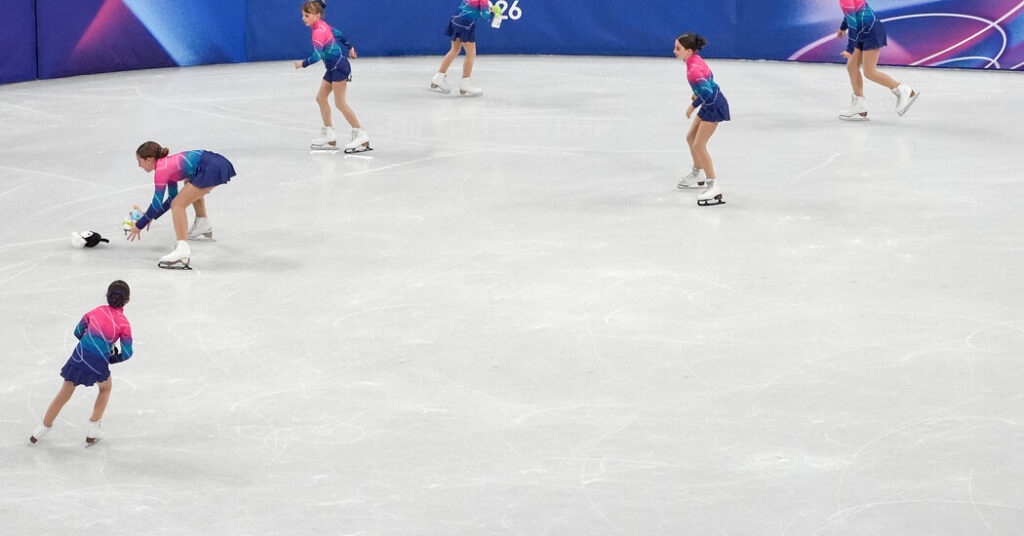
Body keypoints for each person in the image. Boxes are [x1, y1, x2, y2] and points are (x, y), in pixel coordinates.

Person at [30, 281, 133, 445]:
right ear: (127, 301)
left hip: (78, 357)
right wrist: (109, 357)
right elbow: (127, 353)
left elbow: (78, 331)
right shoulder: (124, 324)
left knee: (64, 394)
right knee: (105, 388)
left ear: (107, 296)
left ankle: (40, 430)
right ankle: (93, 430)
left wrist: (89, 342)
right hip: (98, 363)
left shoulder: (94, 312)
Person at [126, 141, 236, 269]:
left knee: (178, 205)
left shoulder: (161, 170)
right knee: (186, 188)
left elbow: (158, 204)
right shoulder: (166, 165)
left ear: (149, 159)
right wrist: (150, 216)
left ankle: (182, 249)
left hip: (212, 166)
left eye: (139, 161)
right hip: (215, 162)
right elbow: (171, 198)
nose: (139, 165)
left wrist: (139, 225)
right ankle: (202, 223)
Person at [295, 0, 371, 153]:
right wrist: (350, 47)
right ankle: (329, 134)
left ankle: (360, 134)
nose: (303, 18)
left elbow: (316, 56)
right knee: (321, 98)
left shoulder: (318, 32)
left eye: (306, 15)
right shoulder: (323, 25)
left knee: (340, 103)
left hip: (339, 68)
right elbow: (338, 34)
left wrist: (302, 63)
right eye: (303, 15)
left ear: (316, 16)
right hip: (332, 68)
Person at [837, 0, 918, 120]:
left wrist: (849, 49)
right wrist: (843, 28)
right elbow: (852, 15)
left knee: (869, 72)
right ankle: (860, 104)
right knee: (852, 66)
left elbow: (853, 24)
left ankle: (902, 90)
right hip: (864, 32)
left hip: (871, 32)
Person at [675, 33, 728, 206]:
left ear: (688, 51)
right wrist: (698, 93)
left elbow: (708, 93)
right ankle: (697, 173)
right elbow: (709, 82)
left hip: (713, 105)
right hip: (709, 102)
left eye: (678, 49)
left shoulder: (693, 71)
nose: (674, 51)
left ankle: (714, 185)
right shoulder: (695, 60)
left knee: (699, 144)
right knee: (690, 138)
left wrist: (693, 104)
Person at [428, 0, 503, 97]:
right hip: (465, 25)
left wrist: (490, 9)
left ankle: (438, 78)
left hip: (456, 19)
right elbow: (485, 15)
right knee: (471, 53)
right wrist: (494, 12)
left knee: (454, 50)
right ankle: (465, 83)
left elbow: (475, 7)